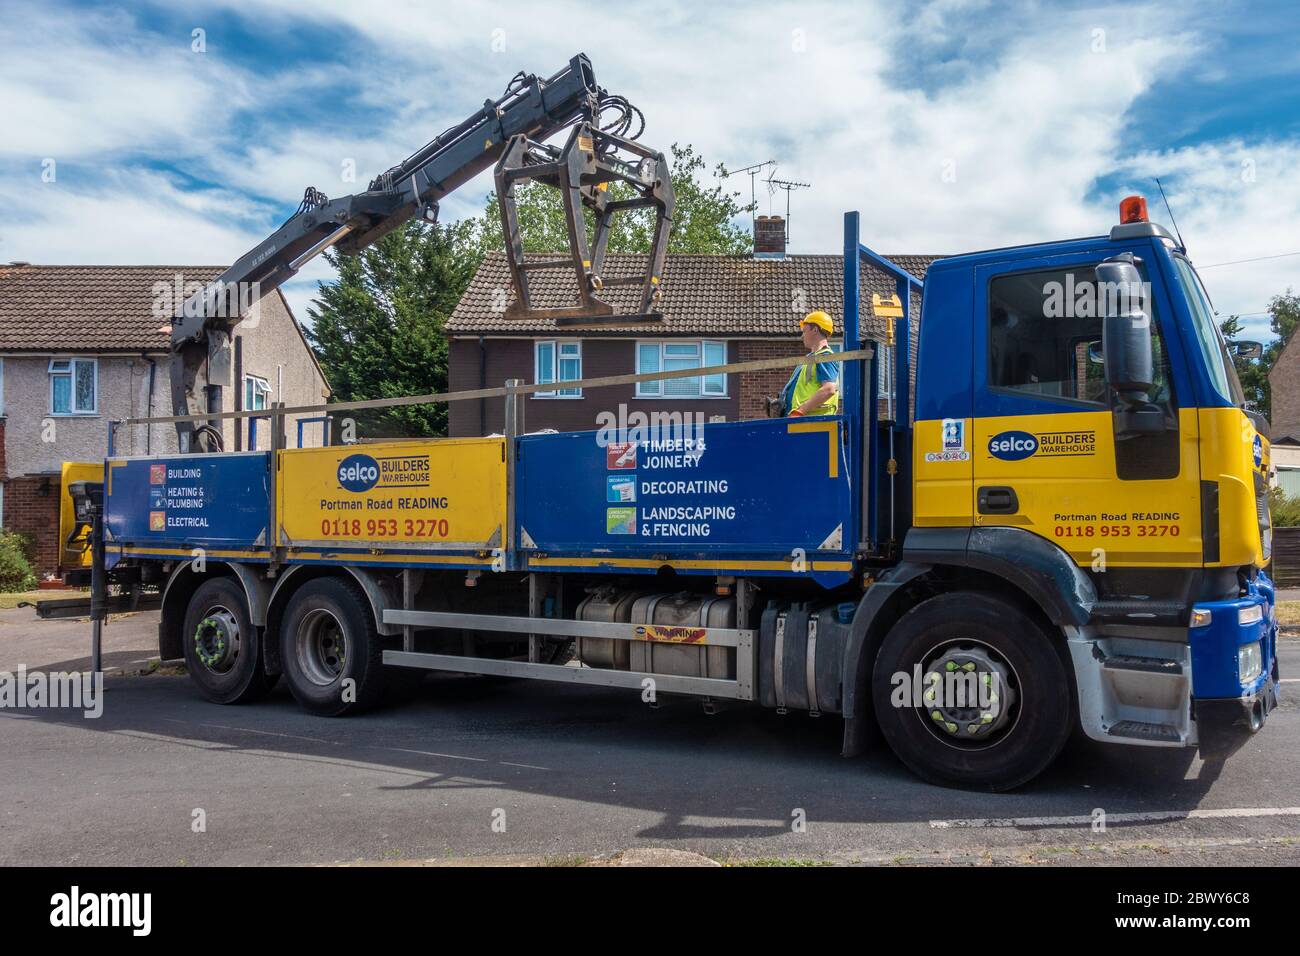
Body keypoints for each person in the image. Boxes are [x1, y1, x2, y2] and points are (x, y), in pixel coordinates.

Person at [782, 311, 840, 417]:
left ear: (815, 330)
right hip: (803, 420)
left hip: (813, 422)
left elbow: (829, 389)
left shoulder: (824, 356)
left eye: (804, 331)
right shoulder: (811, 358)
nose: (802, 336)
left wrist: (800, 411)